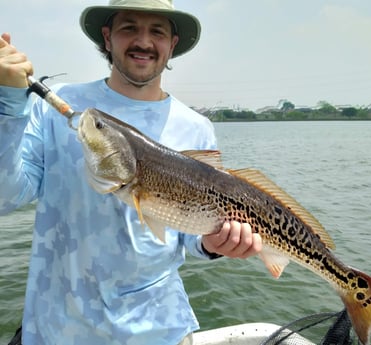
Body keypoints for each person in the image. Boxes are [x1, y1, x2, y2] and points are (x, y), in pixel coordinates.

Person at [0, 1, 262, 344]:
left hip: (159, 331)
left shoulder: (196, 127)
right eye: (129, 28)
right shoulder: (59, 104)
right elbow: (6, 196)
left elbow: (190, 237)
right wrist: (8, 103)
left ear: (173, 44)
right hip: (57, 331)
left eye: (157, 31)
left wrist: (215, 244)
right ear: (107, 38)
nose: (143, 41)